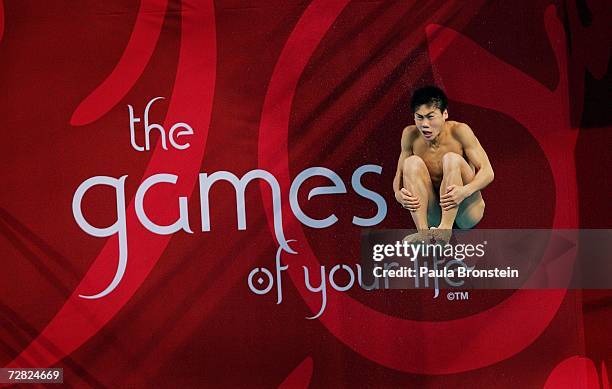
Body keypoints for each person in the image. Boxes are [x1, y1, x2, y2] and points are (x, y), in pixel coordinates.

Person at [393, 86, 494, 242]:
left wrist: (464, 191)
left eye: (430, 117)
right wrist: (398, 195)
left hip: (466, 211)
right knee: (411, 163)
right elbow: (399, 176)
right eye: (419, 117)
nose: (424, 124)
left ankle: (445, 230)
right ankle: (423, 234)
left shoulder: (460, 131)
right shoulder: (410, 135)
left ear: (444, 114)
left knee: (451, 159)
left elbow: (488, 172)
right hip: (435, 213)